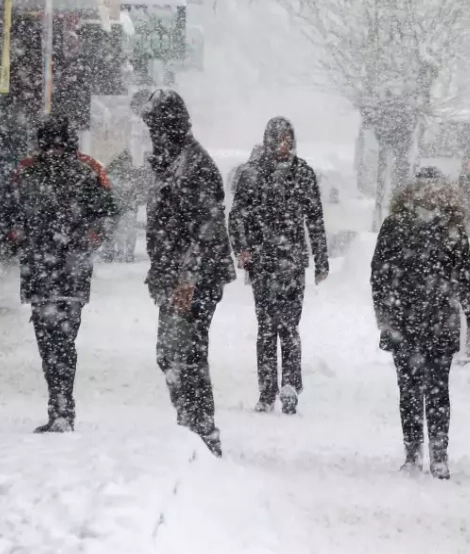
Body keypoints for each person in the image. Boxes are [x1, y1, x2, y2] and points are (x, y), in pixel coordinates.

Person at [137, 89, 236, 457]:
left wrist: (188, 280)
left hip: (197, 278)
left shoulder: (195, 165)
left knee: (184, 351)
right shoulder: (170, 162)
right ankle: (191, 423)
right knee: (172, 353)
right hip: (176, 275)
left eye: (156, 126)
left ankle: (201, 429)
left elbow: (206, 229)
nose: (152, 133)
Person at [7, 116, 117, 433]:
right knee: (61, 341)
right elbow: (108, 212)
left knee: (53, 341)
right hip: (67, 269)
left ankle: (60, 405)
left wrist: (19, 238)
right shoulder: (86, 169)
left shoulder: (27, 170)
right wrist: (90, 239)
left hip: (46, 268)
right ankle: (61, 406)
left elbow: (7, 212)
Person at [371, 176, 470, 479]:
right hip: (428, 321)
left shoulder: (400, 225)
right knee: (429, 390)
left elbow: (380, 275)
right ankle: (429, 453)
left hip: (416, 321)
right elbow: (466, 281)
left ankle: (423, 451)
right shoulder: (446, 229)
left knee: (419, 389)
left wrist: (386, 314)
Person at [229, 118, 329, 414]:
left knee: (289, 326)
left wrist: (321, 259)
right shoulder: (251, 174)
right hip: (262, 263)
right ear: (269, 141)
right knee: (266, 328)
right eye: (278, 139)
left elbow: (315, 219)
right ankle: (266, 390)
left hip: (293, 262)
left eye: (287, 139)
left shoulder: (303, 173)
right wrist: (242, 250)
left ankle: (289, 385)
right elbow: (236, 217)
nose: (283, 145)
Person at [104, 149, 146, 263]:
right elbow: (138, 191)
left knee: (112, 231)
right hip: (126, 208)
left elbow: (108, 190)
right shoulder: (132, 173)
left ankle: (112, 253)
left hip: (116, 208)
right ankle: (127, 254)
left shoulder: (111, 173)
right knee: (128, 232)